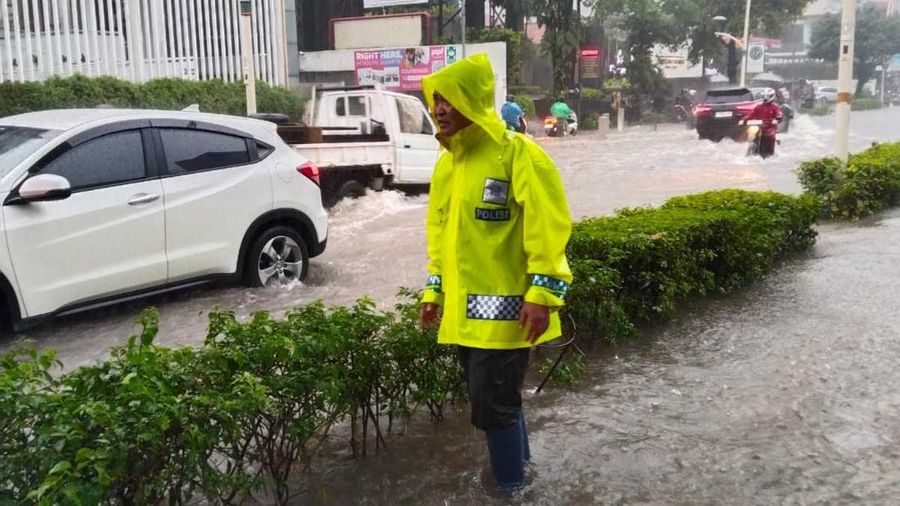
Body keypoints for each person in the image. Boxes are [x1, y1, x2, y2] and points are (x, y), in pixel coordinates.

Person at [419, 54, 573, 493]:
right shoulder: (448, 164)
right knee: (500, 404)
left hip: (509, 317)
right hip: (465, 319)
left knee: (493, 409)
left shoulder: (517, 153)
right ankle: (521, 477)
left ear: (476, 99)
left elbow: (548, 226)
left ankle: (509, 490)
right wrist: (435, 290)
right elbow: (441, 233)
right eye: (435, 99)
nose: (439, 108)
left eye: (449, 98)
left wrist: (542, 294)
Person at [742, 87, 782, 158]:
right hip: (758, 127)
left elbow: (779, 115)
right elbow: (751, 114)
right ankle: (749, 153)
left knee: (770, 136)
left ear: (772, 96)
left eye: (767, 96)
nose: (765, 98)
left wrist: (778, 118)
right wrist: (744, 119)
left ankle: (770, 153)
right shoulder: (759, 106)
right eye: (764, 96)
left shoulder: (775, 107)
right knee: (750, 134)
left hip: (770, 128)